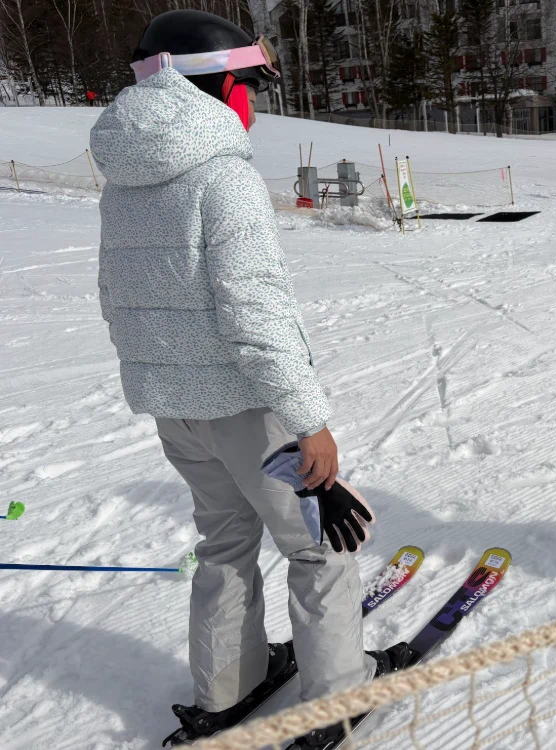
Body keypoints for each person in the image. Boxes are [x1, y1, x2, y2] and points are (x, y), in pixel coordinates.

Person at [90, 10, 406, 745]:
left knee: (225, 543)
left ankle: (226, 686)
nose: (256, 106)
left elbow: (114, 292)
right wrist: (308, 419)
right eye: (251, 89)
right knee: (320, 547)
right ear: (218, 87)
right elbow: (253, 312)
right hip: (247, 408)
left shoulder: (129, 178)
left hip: (178, 410)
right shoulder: (221, 178)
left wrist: (161, 377)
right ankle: (336, 699)